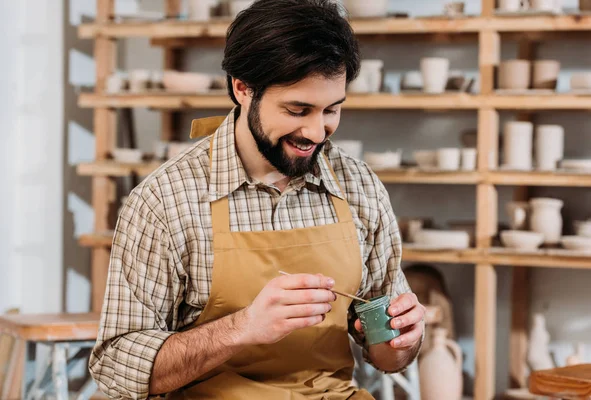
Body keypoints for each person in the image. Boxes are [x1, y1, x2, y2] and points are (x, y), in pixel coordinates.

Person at [88, 0, 425, 398]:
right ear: (242, 87)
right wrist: (243, 327)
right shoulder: (165, 201)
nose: (317, 132)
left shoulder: (359, 186)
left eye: (331, 110)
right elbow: (115, 367)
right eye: (297, 109)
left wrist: (405, 338)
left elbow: (388, 358)